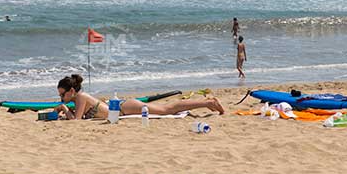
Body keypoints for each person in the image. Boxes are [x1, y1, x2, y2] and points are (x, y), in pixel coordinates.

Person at [54, 74, 225, 120]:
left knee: (167, 109)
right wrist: (65, 110)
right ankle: (207, 103)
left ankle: (208, 102)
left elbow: (76, 122)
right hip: (124, 108)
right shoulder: (79, 99)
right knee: (168, 108)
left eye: (62, 94)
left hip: (125, 108)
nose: (61, 98)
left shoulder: (81, 97)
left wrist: (63, 108)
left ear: (71, 91)